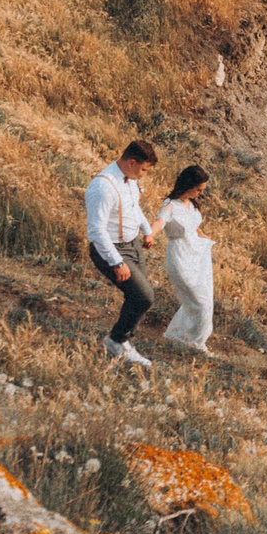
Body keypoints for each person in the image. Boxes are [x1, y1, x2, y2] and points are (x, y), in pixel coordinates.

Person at [85, 140, 159, 369]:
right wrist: (116, 262)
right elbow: (96, 231)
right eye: (144, 169)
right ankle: (116, 341)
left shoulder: (130, 180)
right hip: (111, 249)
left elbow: (134, 208)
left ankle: (123, 341)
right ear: (131, 163)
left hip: (133, 245)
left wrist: (146, 230)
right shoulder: (103, 187)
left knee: (138, 296)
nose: (144, 175)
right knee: (144, 297)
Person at [159, 166, 217, 355]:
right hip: (180, 257)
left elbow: (193, 226)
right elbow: (160, 221)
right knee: (200, 303)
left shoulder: (191, 204)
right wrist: (149, 234)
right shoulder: (170, 205)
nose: (200, 193)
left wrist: (203, 236)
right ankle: (196, 343)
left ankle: (179, 336)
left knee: (202, 299)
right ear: (188, 185)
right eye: (198, 189)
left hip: (196, 256)